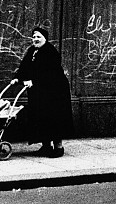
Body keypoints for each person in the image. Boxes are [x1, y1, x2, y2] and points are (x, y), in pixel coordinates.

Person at [12, 26, 74, 157]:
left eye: (38, 37)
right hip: (39, 92)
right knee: (41, 118)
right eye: (34, 37)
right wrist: (17, 78)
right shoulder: (32, 51)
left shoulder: (50, 52)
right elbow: (24, 67)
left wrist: (34, 81)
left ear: (45, 38)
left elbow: (51, 73)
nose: (35, 39)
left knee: (54, 118)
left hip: (55, 91)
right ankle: (46, 146)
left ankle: (58, 147)